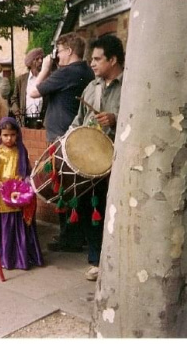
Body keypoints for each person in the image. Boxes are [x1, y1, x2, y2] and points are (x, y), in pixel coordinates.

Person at [29, 33, 95, 253]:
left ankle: (70, 238)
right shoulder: (86, 70)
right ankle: (80, 235)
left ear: (68, 50)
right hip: (79, 136)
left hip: (60, 139)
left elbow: (33, 92)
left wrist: (46, 68)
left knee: (64, 190)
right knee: (80, 190)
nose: (56, 55)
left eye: (58, 50)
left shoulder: (66, 73)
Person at [69, 34, 125, 282]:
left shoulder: (130, 87)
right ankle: (96, 260)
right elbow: (78, 121)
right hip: (90, 161)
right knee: (92, 208)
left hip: (119, 162)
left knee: (116, 211)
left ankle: (118, 259)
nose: (91, 63)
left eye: (97, 59)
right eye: (91, 59)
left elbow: (141, 123)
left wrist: (116, 119)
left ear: (113, 60)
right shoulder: (91, 88)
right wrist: (68, 139)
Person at [0, 117, 43, 269]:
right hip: (1, 191)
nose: (9, 138)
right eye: (5, 135)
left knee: (18, 222)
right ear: (0, 134)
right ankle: (6, 257)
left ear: (17, 134)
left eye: (12, 135)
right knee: (5, 224)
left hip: (17, 191)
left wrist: (22, 179)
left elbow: (26, 169)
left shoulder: (21, 149)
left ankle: (21, 257)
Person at [11, 48, 47, 129]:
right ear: (30, 63)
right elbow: (14, 99)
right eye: (37, 59)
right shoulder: (21, 80)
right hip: (25, 120)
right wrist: (17, 113)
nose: (41, 61)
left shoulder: (48, 78)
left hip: (43, 121)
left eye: (42, 58)